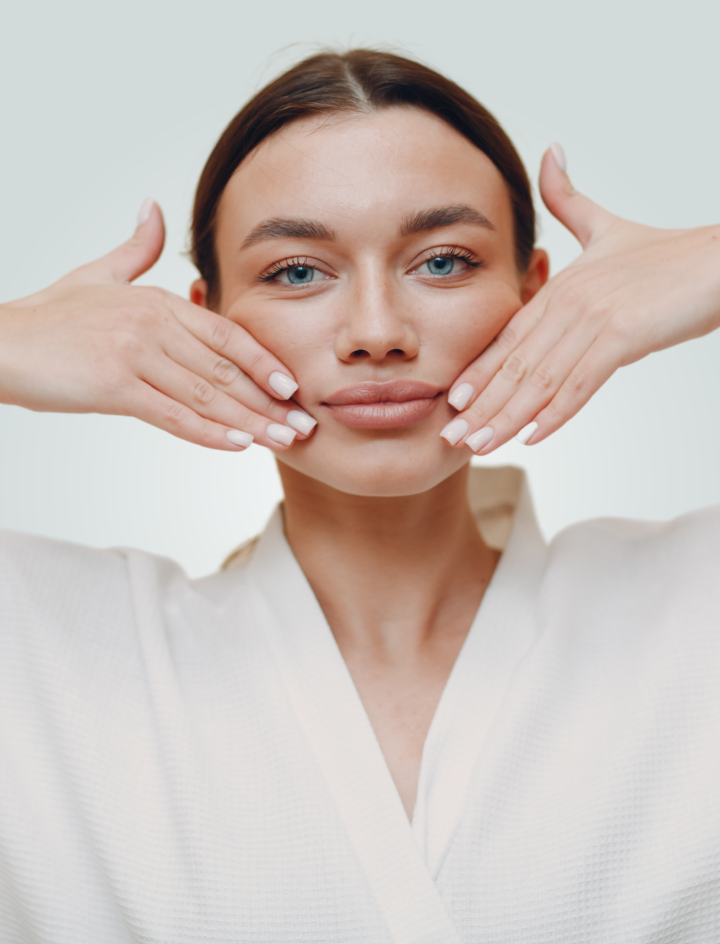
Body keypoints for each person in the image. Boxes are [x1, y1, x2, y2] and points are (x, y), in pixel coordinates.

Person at [1, 48, 719, 944]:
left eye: (444, 261)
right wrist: (10, 341)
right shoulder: (48, 642)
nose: (377, 333)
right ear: (205, 319)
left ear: (534, 294)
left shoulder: (697, 601)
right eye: (298, 271)